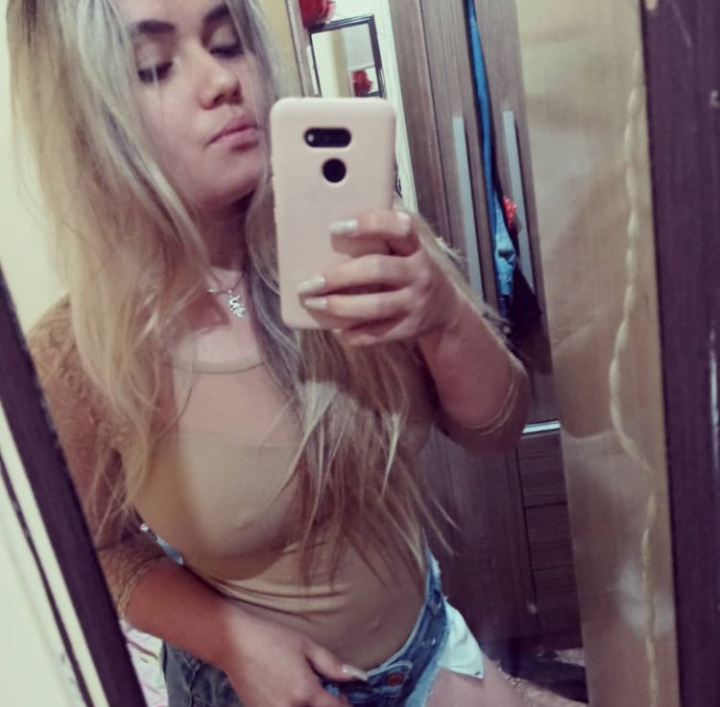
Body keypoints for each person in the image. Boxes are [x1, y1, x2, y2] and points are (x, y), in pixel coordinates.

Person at [7, 1, 531, 705]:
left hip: (429, 647)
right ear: (89, 122)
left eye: (228, 43)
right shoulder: (83, 354)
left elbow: (496, 429)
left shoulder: (363, 238)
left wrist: (443, 315)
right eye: (154, 67)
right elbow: (94, 547)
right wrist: (230, 638)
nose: (222, 81)